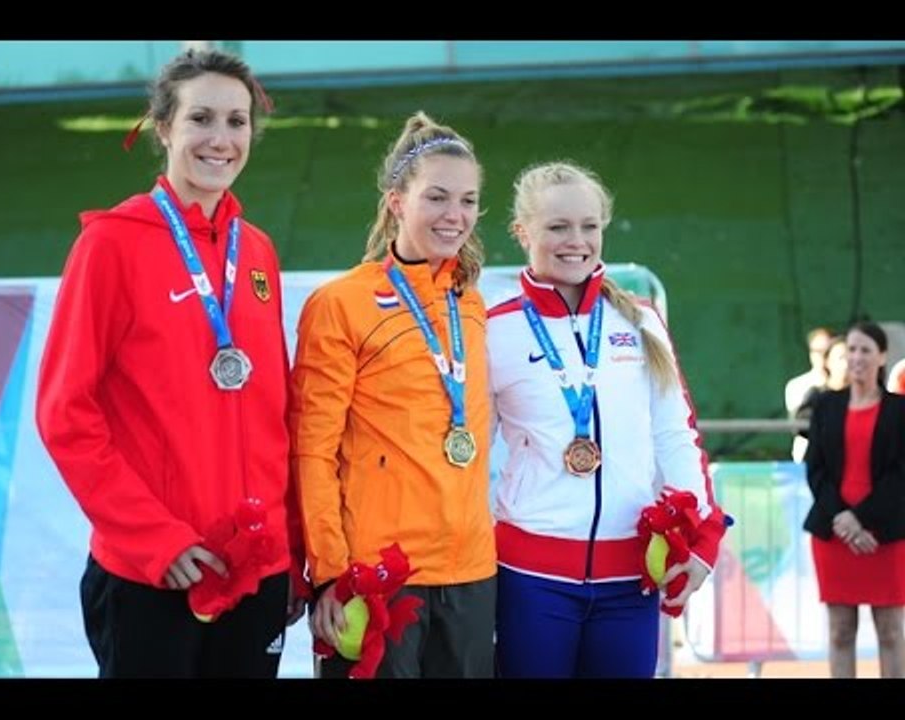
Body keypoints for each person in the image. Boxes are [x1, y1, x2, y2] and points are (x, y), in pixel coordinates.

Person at [36, 48, 306, 678]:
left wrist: (290, 549)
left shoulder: (257, 251)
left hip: (257, 567)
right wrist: (154, 537)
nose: (221, 139)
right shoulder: (110, 244)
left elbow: (278, 413)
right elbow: (64, 414)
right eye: (200, 119)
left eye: (237, 122)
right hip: (154, 571)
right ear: (163, 128)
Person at [486, 161, 729, 678]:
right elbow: (466, 455)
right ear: (522, 232)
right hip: (530, 577)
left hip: (630, 577)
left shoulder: (639, 320)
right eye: (558, 227)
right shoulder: (494, 330)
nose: (576, 241)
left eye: (589, 226)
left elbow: (675, 435)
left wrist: (703, 539)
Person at [289, 111, 496, 678]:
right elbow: (312, 449)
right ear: (397, 203)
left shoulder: (470, 302)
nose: (455, 215)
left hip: (471, 571)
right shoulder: (341, 304)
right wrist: (329, 572)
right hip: (377, 574)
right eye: (437, 197)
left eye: (469, 201)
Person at [803, 321, 905, 678]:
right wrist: (843, 519)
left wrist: (860, 519)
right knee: (840, 631)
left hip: (885, 534)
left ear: (882, 356)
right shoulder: (825, 405)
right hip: (834, 534)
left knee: (891, 631)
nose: (857, 357)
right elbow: (815, 468)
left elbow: (900, 475)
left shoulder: (899, 410)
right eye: (852, 350)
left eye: (865, 350)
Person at [793, 335, 848, 462]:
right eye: (841, 358)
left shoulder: (864, 396)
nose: (846, 364)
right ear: (828, 362)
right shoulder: (817, 395)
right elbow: (800, 426)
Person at [786, 327, 834, 462]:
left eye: (827, 351)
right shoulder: (797, 385)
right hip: (806, 457)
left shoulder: (845, 384)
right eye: (817, 351)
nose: (822, 356)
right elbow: (798, 424)